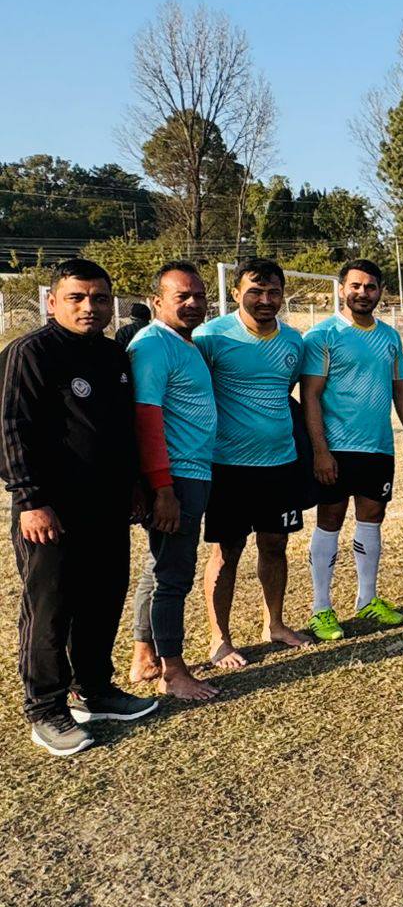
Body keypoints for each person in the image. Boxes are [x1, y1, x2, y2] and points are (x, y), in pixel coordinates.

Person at [3, 258, 154, 756]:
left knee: (103, 598)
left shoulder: (113, 356)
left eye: (100, 298)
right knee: (50, 606)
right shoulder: (30, 352)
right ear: (52, 302)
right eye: (77, 297)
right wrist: (31, 500)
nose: (90, 307)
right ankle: (45, 708)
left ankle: (95, 689)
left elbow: (121, 430)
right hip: (52, 509)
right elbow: (11, 430)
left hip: (107, 505)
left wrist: (134, 484)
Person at [191, 258, 312, 672]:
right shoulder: (210, 337)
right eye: (255, 291)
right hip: (228, 466)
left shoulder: (293, 341)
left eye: (273, 292)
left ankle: (274, 624)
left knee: (275, 545)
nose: (265, 300)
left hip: (281, 463)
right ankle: (219, 639)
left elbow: (286, 389)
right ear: (235, 293)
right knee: (227, 552)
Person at [300, 259, 403, 641]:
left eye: (370, 287)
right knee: (330, 520)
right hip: (336, 447)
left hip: (377, 446)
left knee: (372, 518)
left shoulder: (389, 337)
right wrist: (320, 451)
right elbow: (310, 395)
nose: (363, 293)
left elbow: (401, 390)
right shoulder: (323, 335)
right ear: (341, 289)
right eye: (355, 286)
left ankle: (367, 598)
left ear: (380, 291)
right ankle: (321, 608)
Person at [127, 261, 220, 701]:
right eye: (182, 296)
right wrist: (162, 488)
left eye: (199, 296)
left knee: (157, 566)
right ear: (157, 301)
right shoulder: (153, 345)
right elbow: (146, 417)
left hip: (193, 471)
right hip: (176, 477)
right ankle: (174, 671)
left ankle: (143, 655)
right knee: (174, 576)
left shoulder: (185, 343)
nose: (193, 303)